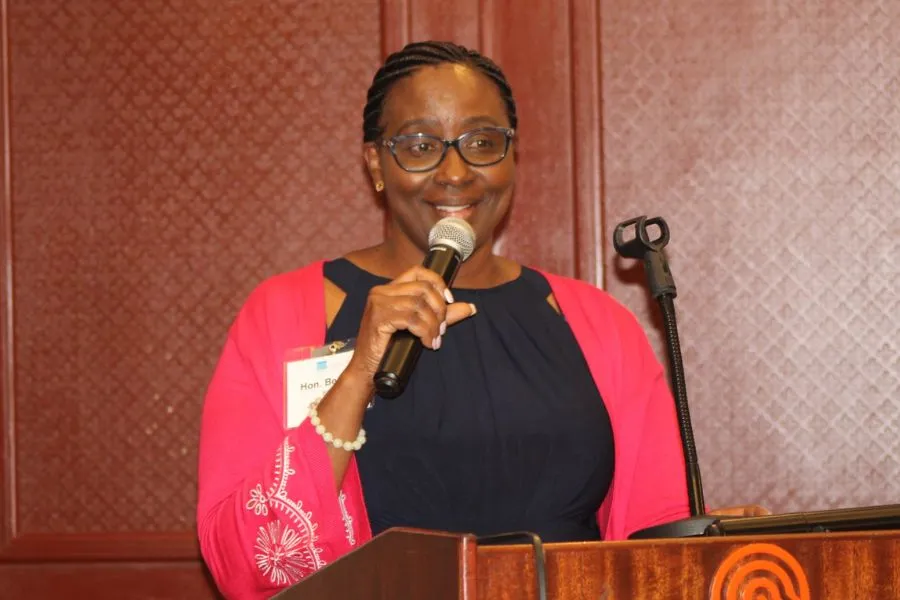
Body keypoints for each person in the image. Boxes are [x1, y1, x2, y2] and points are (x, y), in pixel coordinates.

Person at [196, 40, 759, 599]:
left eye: (482, 143)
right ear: (376, 163)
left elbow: (654, 539)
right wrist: (359, 368)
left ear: (512, 157)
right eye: (420, 146)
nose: (456, 172)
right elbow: (243, 561)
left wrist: (712, 546)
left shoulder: (597, 325)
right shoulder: (287, 313)